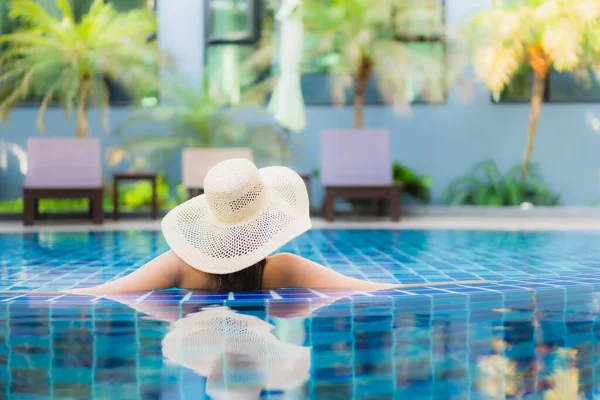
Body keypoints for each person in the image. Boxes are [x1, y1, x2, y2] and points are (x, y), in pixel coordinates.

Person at [60, 158, 487, 296]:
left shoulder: (179, 268)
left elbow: (106, 294)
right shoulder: (283, 269)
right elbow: (365, 290)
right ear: (268, 219)